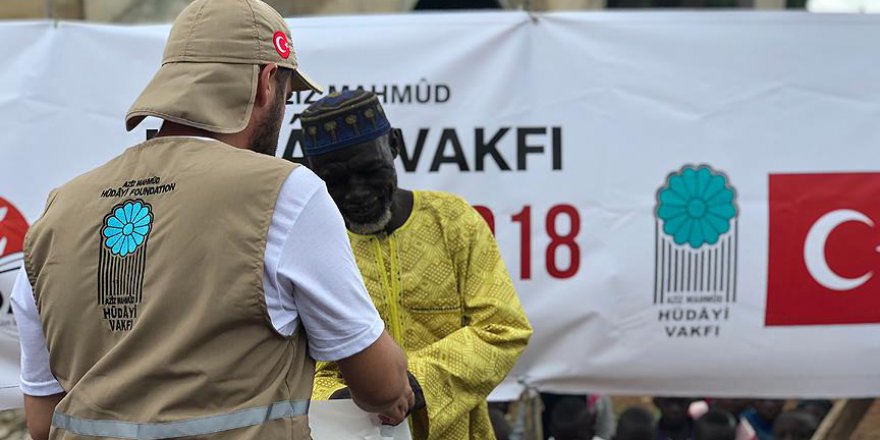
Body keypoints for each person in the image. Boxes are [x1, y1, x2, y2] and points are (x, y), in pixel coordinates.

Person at [11, 1, 415, 439]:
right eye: (286, 93)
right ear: (265, 84)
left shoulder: (57, 214)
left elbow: (40, 423)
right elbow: (381, 385)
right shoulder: (283, 192)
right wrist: (395, 388)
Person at [301, 89, 533, 440]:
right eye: (336, 182)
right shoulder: (311, 246)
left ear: (393, 146)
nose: (356, 193)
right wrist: (343, 400)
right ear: (313, 173)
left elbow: (503, 329)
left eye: (369, 171)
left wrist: (410, 385)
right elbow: (300, 361)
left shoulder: (454, 222)